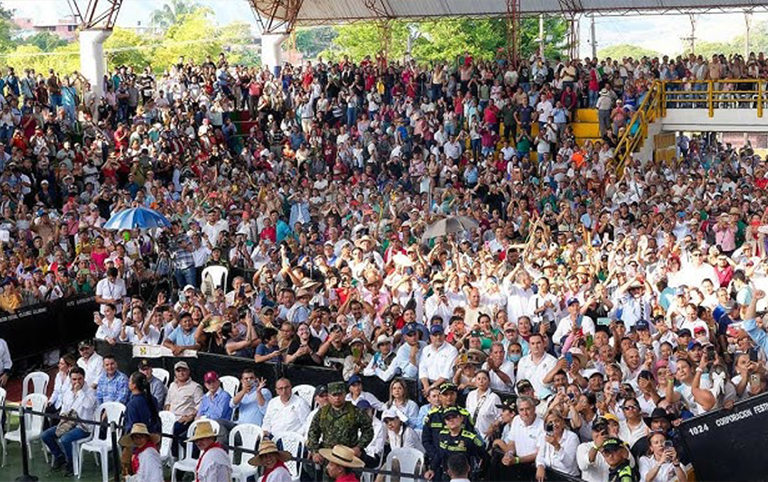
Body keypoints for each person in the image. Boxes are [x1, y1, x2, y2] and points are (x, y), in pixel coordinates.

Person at [41, 367, 96, 476]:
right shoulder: (68, 392)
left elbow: (88, 405)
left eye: (79, 379)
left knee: (65, 439)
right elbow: (64, 409)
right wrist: (63, 418)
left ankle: (71, 463)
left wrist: (80, 392)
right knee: (45, 435)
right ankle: (59, 457)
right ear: (70, 379)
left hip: (83, 426)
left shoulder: (90, 392)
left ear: (84, 378)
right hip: (68, 424)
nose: (77, 382)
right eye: (74, 379)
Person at [308, 381, 374, 469]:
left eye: (340, 394)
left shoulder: (355, 412)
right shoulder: (322, 413)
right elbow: (313, 432)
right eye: (334, 395)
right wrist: (315, 451)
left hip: (349, 458)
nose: (337, 398)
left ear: (345, 395)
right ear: (329, 396)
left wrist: (359, 447)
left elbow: (368, 430)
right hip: (329, 459)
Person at [424, 406, 487, 481]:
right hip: (447, 476)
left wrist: (481, 474)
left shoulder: (471, 438)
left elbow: (484, 457)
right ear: (445, 422)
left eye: (454, 417)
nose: (451, 420)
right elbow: (439, 455)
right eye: (448, 418)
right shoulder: (442, 436)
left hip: (466, 476)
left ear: (461, 418)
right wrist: (432, 469)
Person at [165, 361, 203, 458]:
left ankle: (175, 456)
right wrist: (166, 415)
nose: (181, 373)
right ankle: (165, 454)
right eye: (178, 371)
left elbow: (201, 404)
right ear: (175, 373)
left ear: (188, 371)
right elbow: (168, 402)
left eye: (184, 371)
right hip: (171, 417)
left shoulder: (195, 387)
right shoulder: (172, 385)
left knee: (174, 429)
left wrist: (190, 416)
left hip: (185, 418)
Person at [534, 412, 580, 481]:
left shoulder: (572, 437)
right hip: (552, 476)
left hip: (569, 478)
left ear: (562, 422)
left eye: (557, 421)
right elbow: (540, 456)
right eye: (550, 422)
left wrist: (556, 446)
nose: (554, 425)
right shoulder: (545, 436)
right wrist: (540, 466)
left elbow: (568, 463)